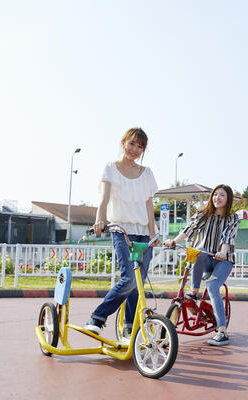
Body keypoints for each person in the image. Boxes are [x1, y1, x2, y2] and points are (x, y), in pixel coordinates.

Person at [84, 127, 159, 337]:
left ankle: (128, 329)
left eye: (140, 146)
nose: (135, 149)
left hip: (145, 233)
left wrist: (153, 234)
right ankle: (97, 318)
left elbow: (148, 206)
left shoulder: (147, 173)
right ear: (123, 143)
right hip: (121, 229)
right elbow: (104, 199)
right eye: (132, 143)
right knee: (128, 279)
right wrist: (99, 219)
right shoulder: (111, 168)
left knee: (138, 286)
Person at [163, 184, 240, 346]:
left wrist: (223, 251)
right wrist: (174, 241)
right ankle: (194, 292)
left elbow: (228, 237)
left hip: (223, 260)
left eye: (222, 195)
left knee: (212, 286)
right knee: (199, 250)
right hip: (204, 257)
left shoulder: (232, 218)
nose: (217, 198)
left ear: (228, 199)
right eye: (215, 195)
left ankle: (222, 331)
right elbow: (189, 229)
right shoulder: (203, 214)